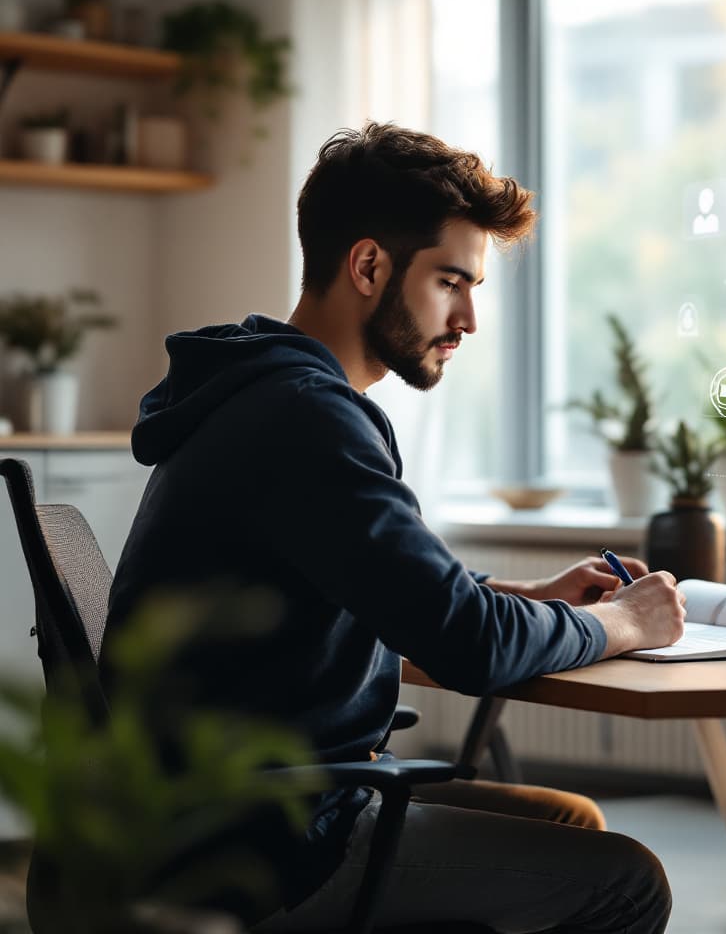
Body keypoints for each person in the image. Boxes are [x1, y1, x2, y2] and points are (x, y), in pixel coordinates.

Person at [99, 122, 685, 933]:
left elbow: (375, 591)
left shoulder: (263, 389)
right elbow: (468, 644)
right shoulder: (304, 417)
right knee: (627, 882)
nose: (469, 318)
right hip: (260, 842)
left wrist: (528, 596)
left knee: (568, 821)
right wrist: (622, 620)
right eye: (451, 281)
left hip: (215, 810)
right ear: (369, 265)